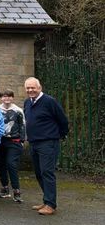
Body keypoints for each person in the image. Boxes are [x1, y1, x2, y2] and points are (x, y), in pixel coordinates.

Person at [23, 77, 69, 216]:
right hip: (34, 142)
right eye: (28, 88)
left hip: (48, 143)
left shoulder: (49, 101)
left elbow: (63, 120)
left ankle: (50, 204)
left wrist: (58, 135)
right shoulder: (27, 102)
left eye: (33, 87)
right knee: (38, 172)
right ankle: (46, 200)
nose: (30, 90)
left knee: (47, 172)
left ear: (40, 87)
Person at [0, 90, 26, 202]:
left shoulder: (18, 110)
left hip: (14, 140)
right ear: (1, 98)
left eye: (9, 96)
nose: (7, 99)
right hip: (0, 140)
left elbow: (23, 125)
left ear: (12, 98)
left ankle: (16, 190)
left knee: (11, 164)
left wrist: (22, 140)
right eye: (4, 96)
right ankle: (4, 188)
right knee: (1, 164)